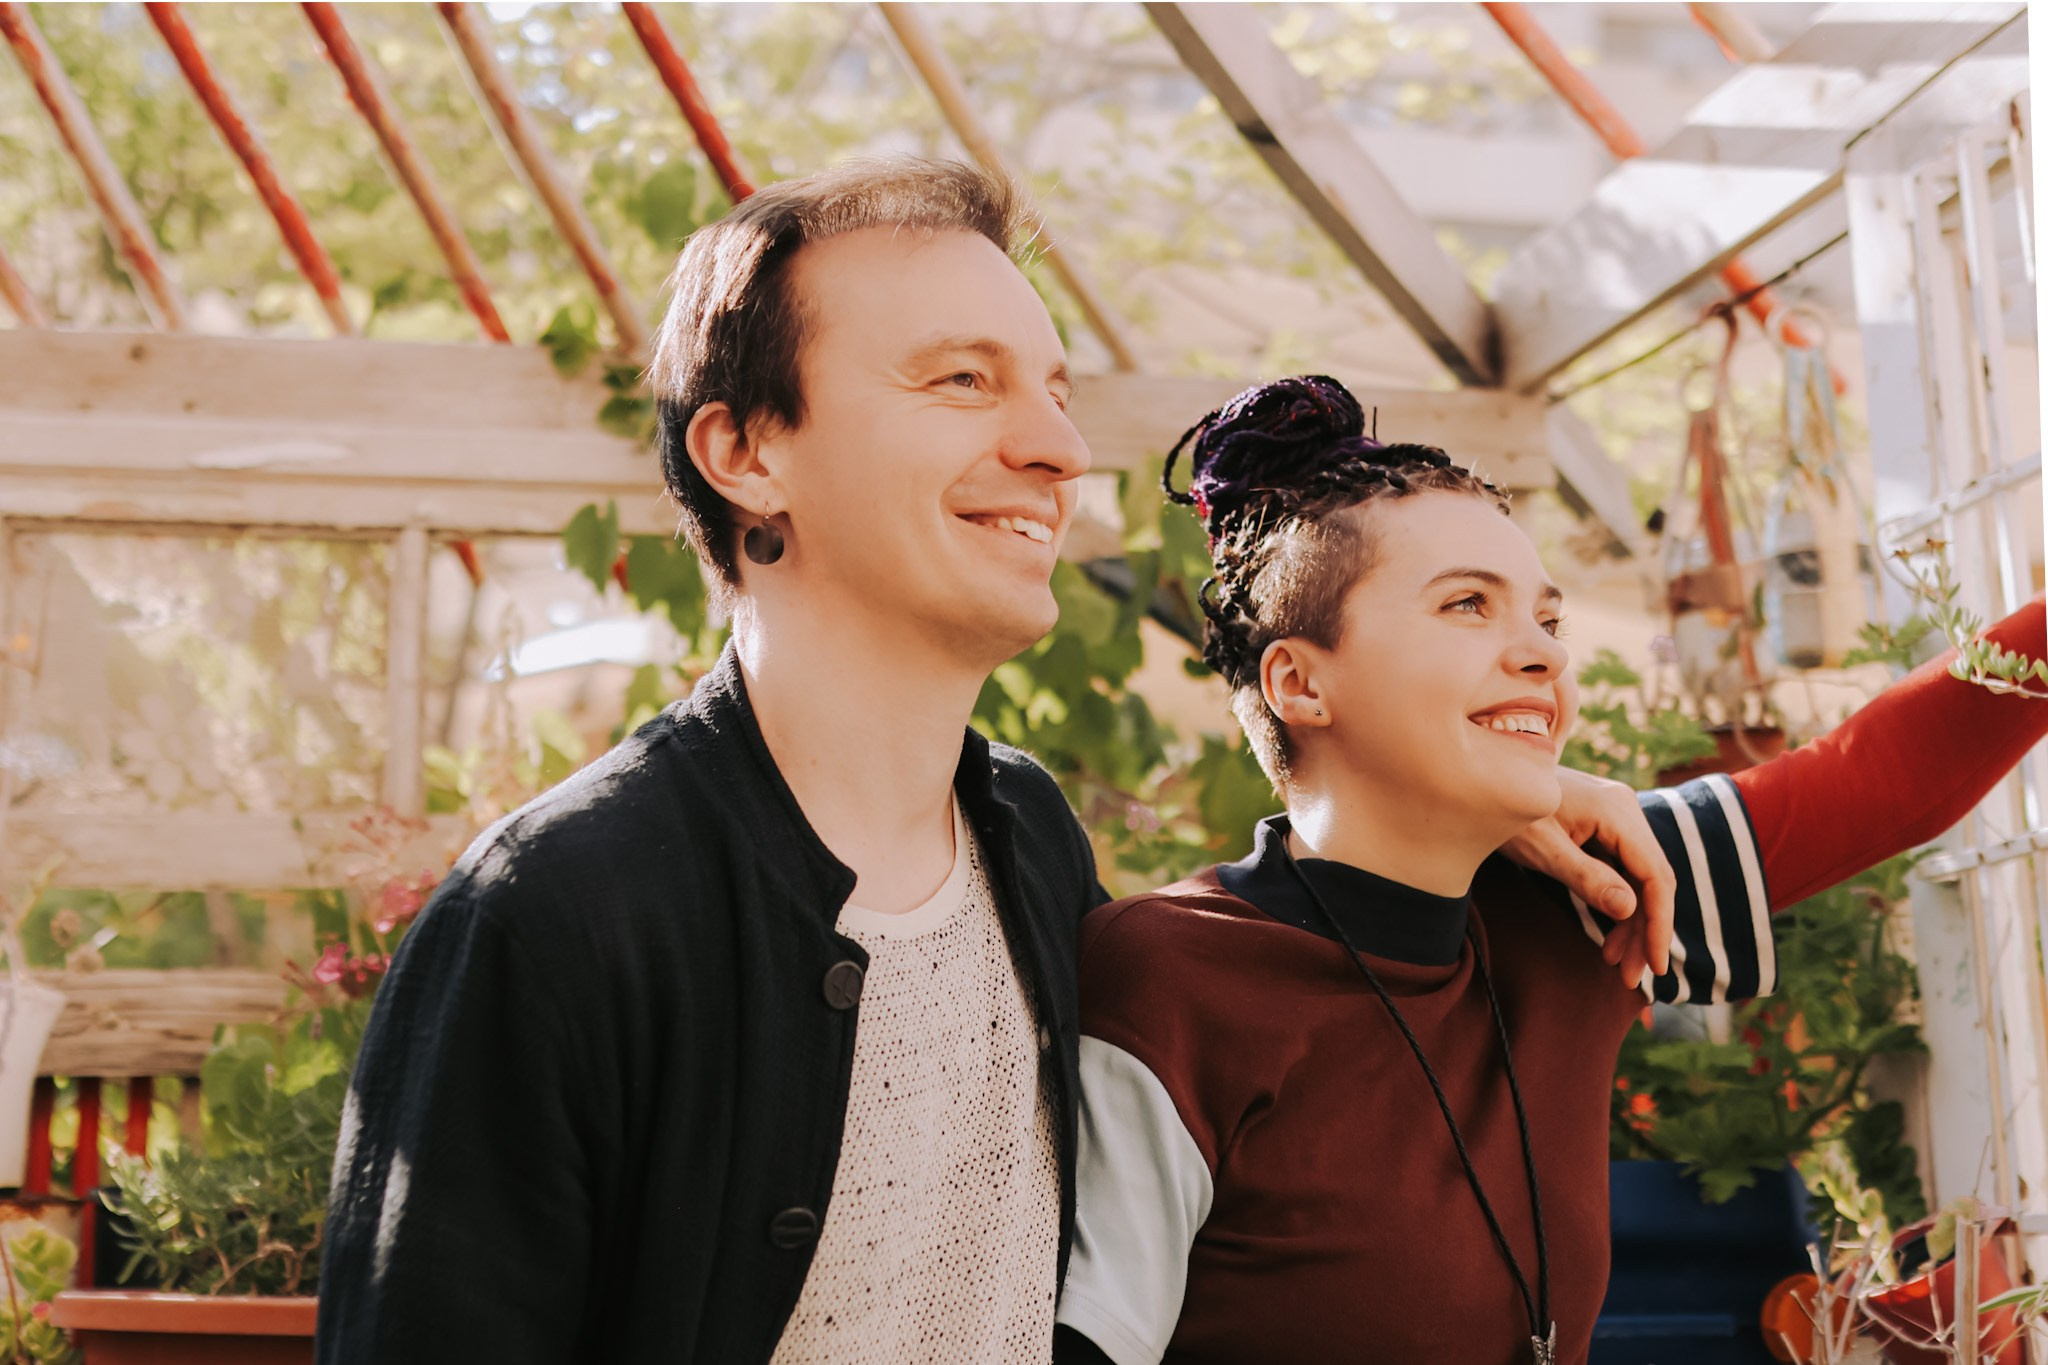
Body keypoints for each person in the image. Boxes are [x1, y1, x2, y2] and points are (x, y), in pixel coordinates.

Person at [319, 163, 1674, 1365]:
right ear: (746, 450)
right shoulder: (557, 914)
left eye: (1055, 391)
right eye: (963, 379)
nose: (1057, 448)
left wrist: (1504, 804)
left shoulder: (1028, 839)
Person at [1051, 375, 2047, 1365]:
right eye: (1466, 607)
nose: (1538, 655)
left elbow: (1886, 777)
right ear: (1299, 683)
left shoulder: (1581, 898)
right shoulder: (1175, 976)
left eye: (1546, 620)